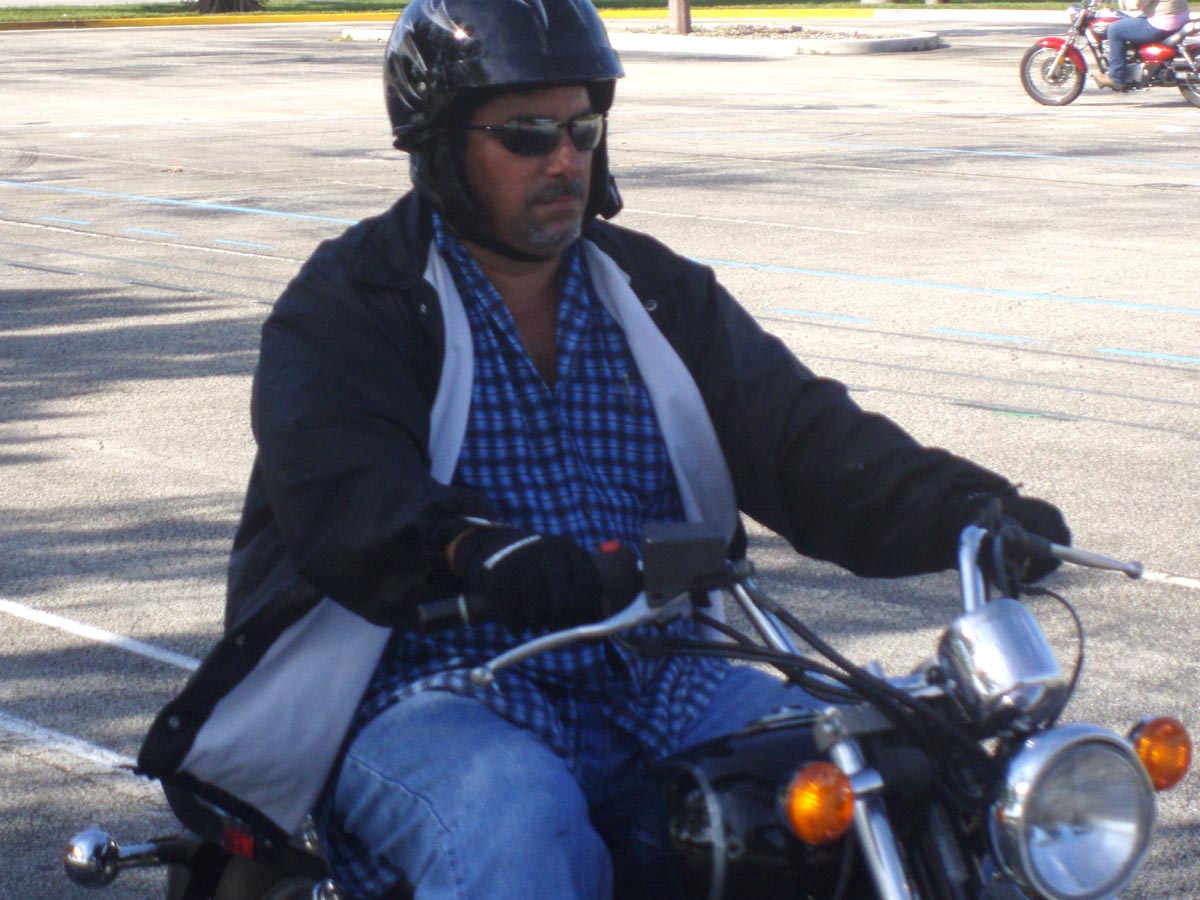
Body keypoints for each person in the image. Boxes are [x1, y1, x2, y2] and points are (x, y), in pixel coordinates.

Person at [137, 0, 1071, 898]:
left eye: (582, 130)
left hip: (661, 675)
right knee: (515, 820)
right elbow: (338, 476)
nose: (564, 160)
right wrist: (469, 547)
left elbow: (806, 438)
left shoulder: (655, 292)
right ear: (441, 143)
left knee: (875, 782)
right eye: (527, 134)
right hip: (435, 688)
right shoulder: (358, 296)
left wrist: (968, 511)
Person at [1096, 0, 1191, 90]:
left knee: (1114, 29)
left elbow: (1135, 4)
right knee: (1131, 20)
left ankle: (1116, 77)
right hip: (1180, 17)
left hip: (1165, 22)